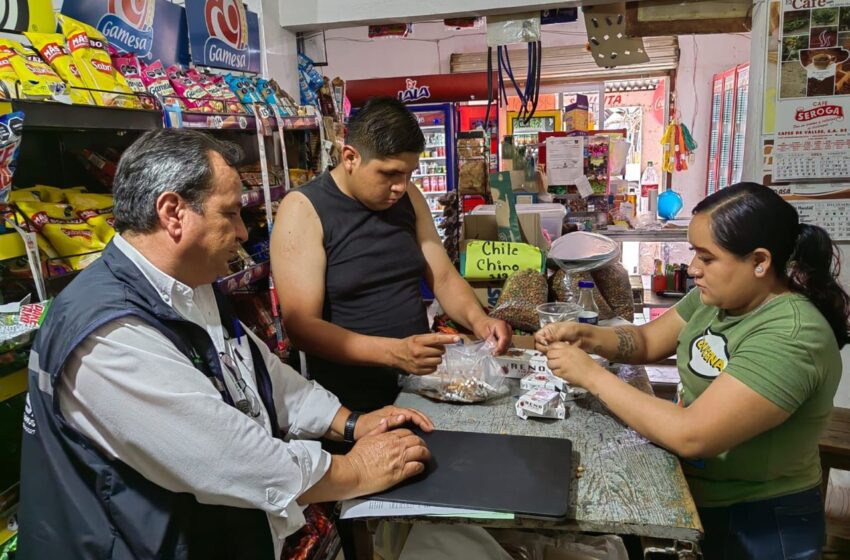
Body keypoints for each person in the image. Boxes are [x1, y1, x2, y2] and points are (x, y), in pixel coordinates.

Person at [18, 129, 434, 560]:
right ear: (173, 212)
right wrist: (354, 469)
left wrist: (349, 423)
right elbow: (229, 457)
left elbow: (259, 373)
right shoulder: (110, 336)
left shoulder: (189, 285)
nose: (241, 231)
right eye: (231, 213)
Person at [536, 182, 848, 559]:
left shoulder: (792, 334)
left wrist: (591, 375)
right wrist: (588, 335)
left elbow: (692, 434)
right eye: (693, 253)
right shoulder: (716, 298)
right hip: (698, 496)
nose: (693, 268)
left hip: (759, 521)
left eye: (707, 257)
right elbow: (648, 342)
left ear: (760, 261)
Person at [272, 96, 511, 412]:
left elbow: (441, 275)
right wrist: (393, 352)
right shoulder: (303, 210)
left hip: (421, 386)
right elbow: (302, 327)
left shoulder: (408, 197)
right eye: (389, 174)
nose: (401, 186)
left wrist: (478, 319)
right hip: (352, 403)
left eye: (409, 173)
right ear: (350, 157)